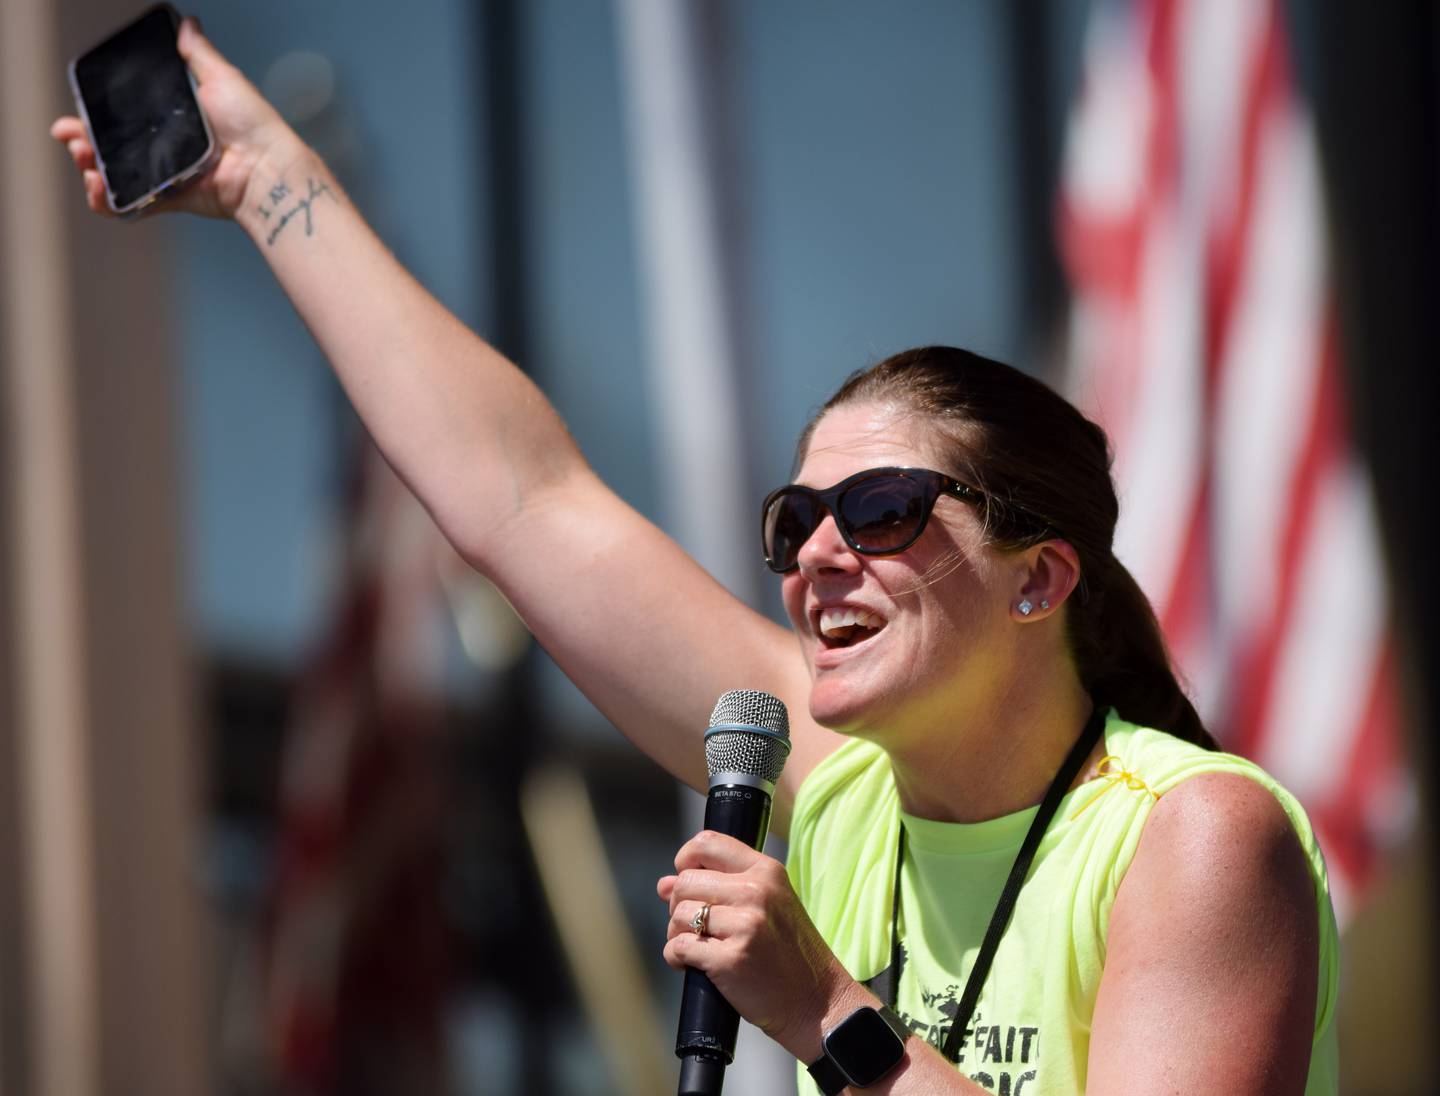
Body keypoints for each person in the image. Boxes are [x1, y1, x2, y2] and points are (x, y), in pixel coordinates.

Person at [53, 19, 1337, 1094]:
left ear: (1038, 577)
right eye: (795, 520)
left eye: (884, 508)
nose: (820, 552)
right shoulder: (842, 793)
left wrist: (828, 1010)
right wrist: (269, 181)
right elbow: (523, 499)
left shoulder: (1193, 836)